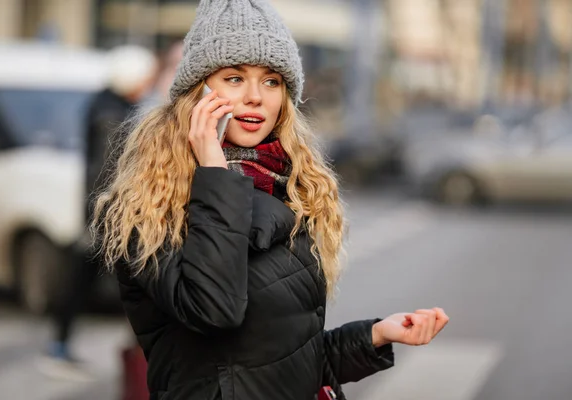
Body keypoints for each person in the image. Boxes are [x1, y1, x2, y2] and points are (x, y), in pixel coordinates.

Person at [91, 1, 449, 399]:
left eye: (272, 81)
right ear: (197, 90)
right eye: (233, 78)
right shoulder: (152, 205)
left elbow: (284, 365)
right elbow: (214, 311)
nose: (255, 97)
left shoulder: (291, 186)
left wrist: (376, 335)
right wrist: (213, 170)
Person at [39, 45, 158, 381]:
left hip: (100, 212)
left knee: (87, 282)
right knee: (122, 284)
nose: (148, 83)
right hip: (106, 215)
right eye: (145, 77)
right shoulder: (113, 114)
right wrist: (109, 216)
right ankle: (64, 348)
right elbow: (108, 170)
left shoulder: (113, 105)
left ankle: (61, 345)